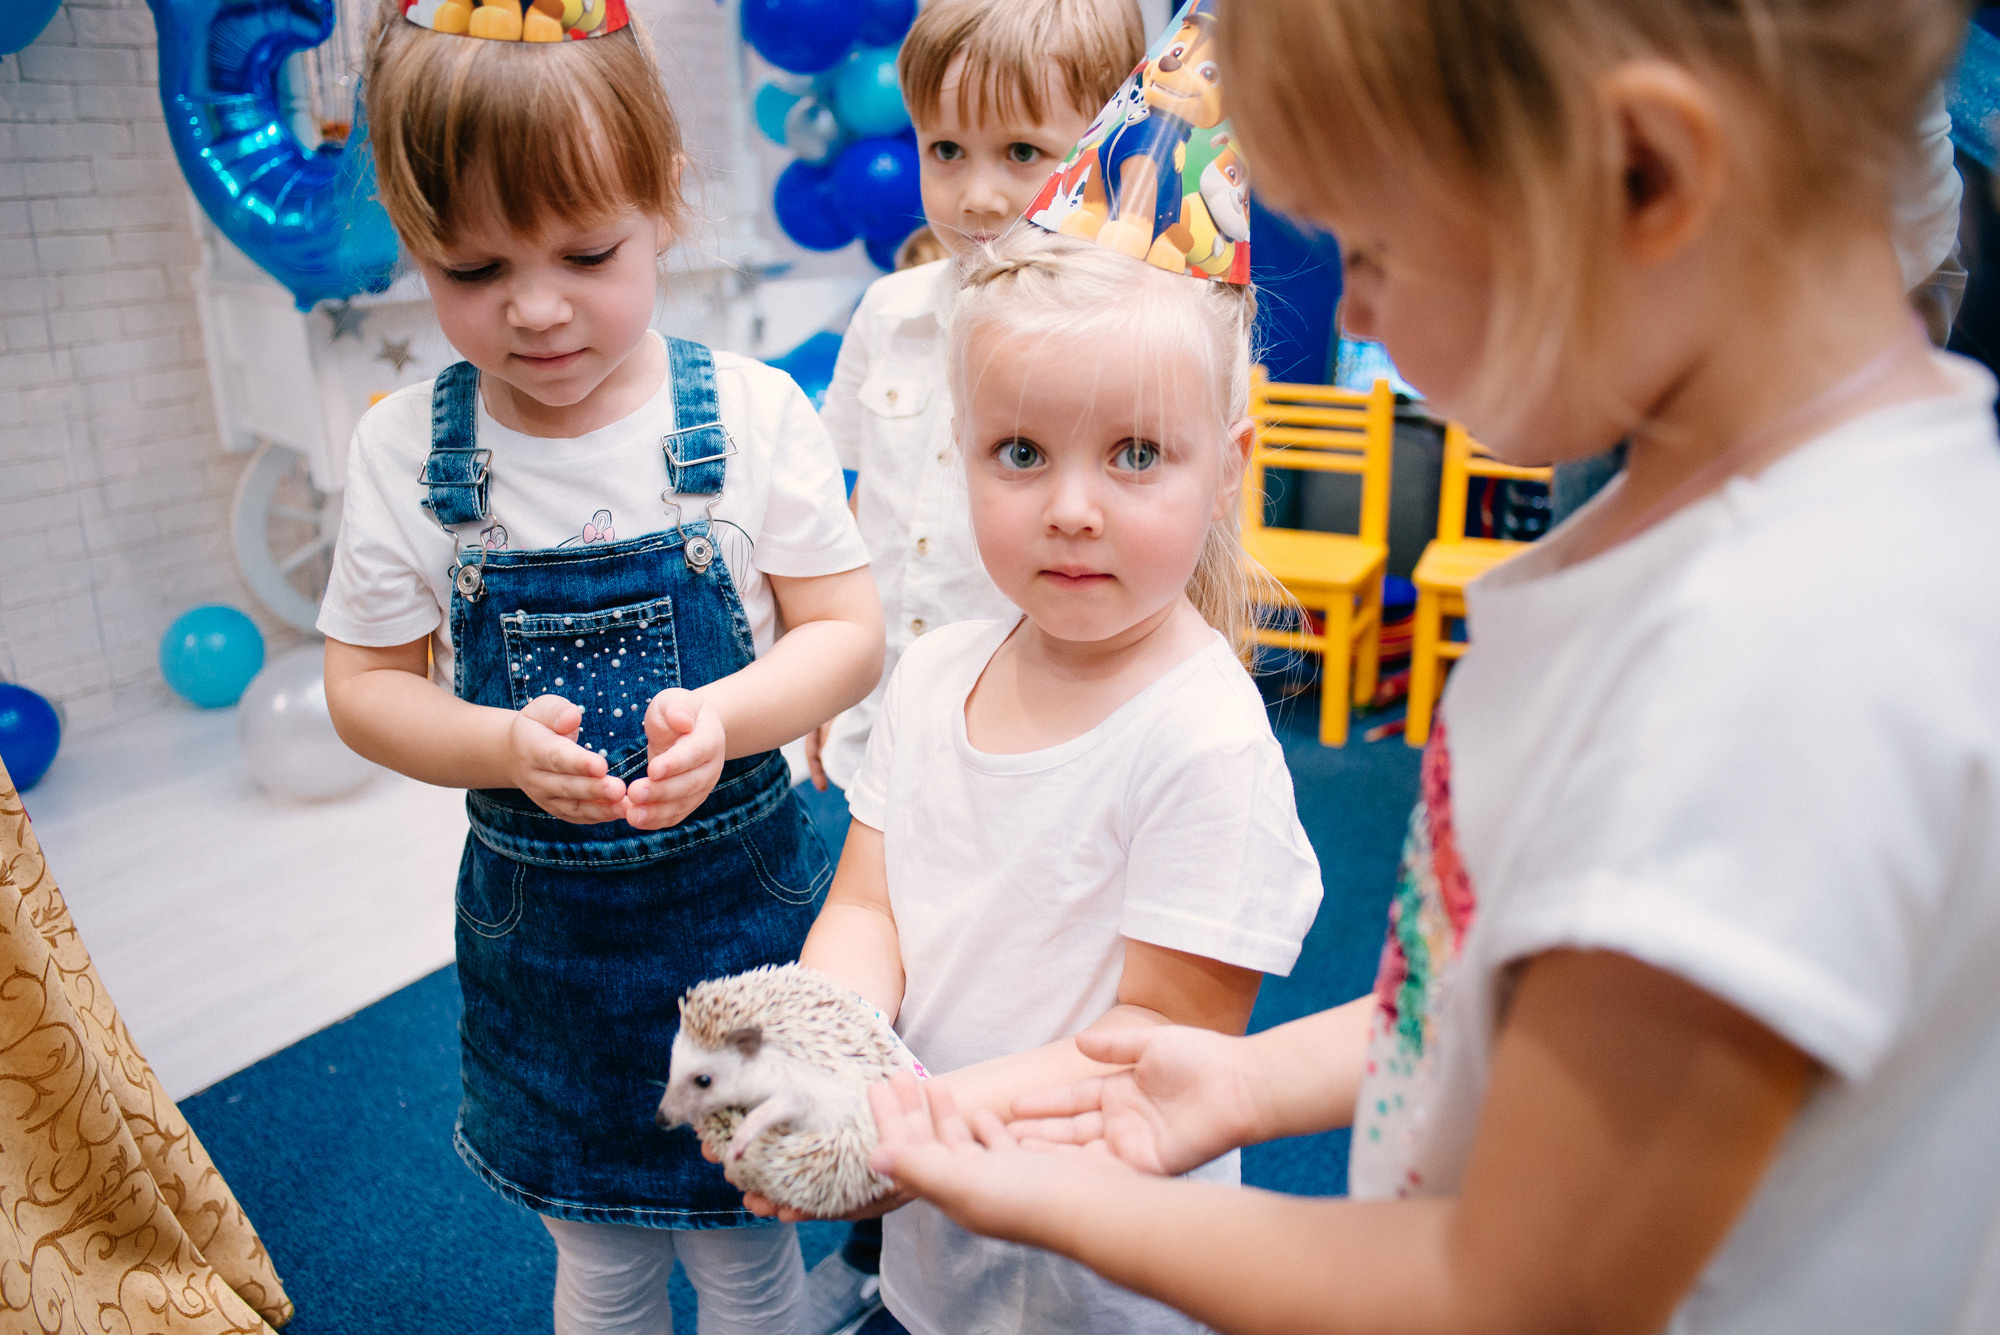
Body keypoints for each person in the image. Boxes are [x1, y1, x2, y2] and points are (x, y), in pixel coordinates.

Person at [862, 2, 2000, 1333]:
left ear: (1644, 173)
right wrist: (1248, 1082)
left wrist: (1045, 1197)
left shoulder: (1768, 674)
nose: (1351, 308)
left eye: (1376, 246)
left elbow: (1510, 1293)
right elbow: (1541, 1007)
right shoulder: (1734, 535)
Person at [318, 7, 883, 1333]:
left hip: (739, 922)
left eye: (586, 253)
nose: (536, 307)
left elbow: (847, 632)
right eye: (471, 268)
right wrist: (493, 745)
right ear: (411, 240)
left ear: (662, 204)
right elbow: (364, 685)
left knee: (747, 1250)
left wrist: (728, 718)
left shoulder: (751, 414)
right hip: (548, 959)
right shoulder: (405, 452)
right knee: (600, 1252)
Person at [785, 228, 1322, 1335]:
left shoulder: (1205, 742)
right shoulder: (933, 675)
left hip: (1108, 1289)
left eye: (1136, 454)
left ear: (1228, 466)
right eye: (1021, 452)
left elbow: (1155, 1045)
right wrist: (828, 1054)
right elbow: (868, 907)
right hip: (934, 1258)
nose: (1072, 508)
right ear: (960, 453)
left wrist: (913, 1128)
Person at [798, 9, 1143, 1326]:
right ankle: (884, 1241)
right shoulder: (888, 315)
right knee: (894, 968)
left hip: (1049, 739)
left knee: (1028, 986)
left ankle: (1044, 1242)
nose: (979, 193)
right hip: (894, 724)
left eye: (1023, 151)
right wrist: (831, 675)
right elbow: (852, 518)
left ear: (1101, 146)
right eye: (946, 150)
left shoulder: (1124, 329)